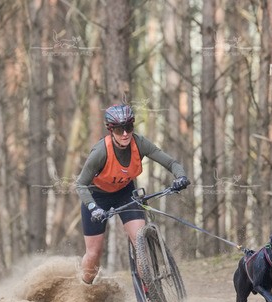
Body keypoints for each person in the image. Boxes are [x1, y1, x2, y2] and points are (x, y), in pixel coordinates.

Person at [76, 104, 190, 284]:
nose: (125, 134)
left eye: (128, 127)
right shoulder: (100, 152)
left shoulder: (140, 143)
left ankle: (150, 292)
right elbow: (80, 184)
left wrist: (180, 177)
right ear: (111, 130)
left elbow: (171, 163)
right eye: (119, 129)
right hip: (96, 197)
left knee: (141, 244)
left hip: (125, 193)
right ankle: (85, 286)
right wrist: (93, 208)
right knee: (94, 254)